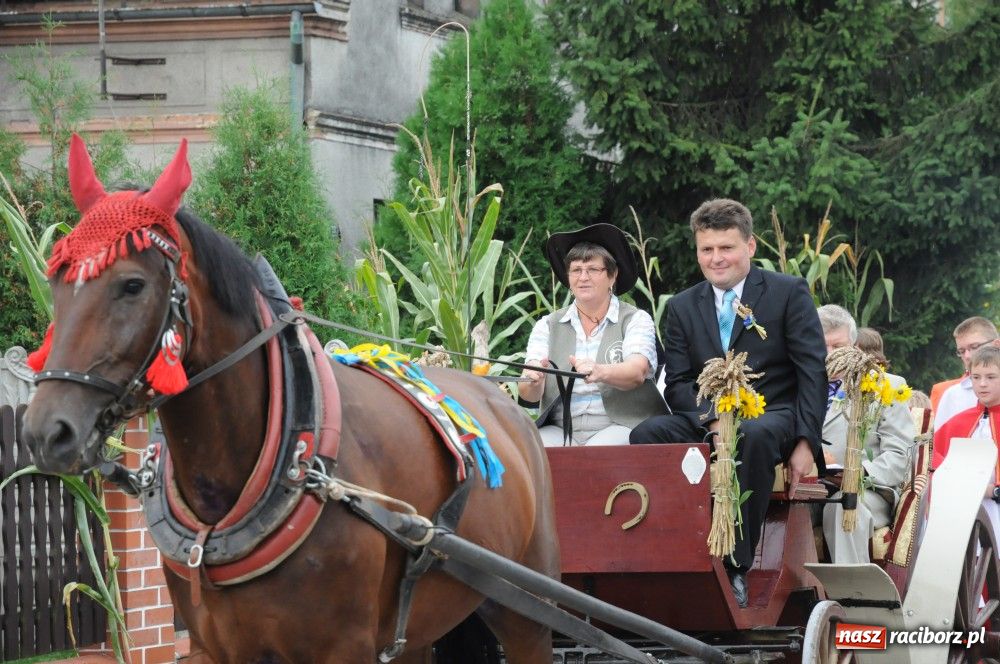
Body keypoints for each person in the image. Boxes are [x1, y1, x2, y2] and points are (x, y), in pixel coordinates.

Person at [629, 199, 827, 608]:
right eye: (707, 249)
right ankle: (672, 550)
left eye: (726, 248)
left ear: (750, 246)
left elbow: (812, 372)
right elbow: (679, 384)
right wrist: (713, 419)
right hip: (710, 417)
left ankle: (735, 566)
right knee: (646, 433)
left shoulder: (788, 293)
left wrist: (807, 442)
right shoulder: (683, 306)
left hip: (774, 416)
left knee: (751, 436)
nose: (716, 258)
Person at [519, 223, 666, 446]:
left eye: (593, 270)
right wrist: (533, 381)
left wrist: (600, 371)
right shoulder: (547, 325)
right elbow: (528, 396)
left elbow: (637, 372)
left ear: (612, 275)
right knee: (531, 449)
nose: (583, 277)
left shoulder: (635, 319)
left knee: (598, 452)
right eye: (576, 270)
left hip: (622, 425)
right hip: (560, 429)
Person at [817, 305, 915, 563]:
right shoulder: (796, 387)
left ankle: (850, 596)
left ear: (854, 345)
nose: (829, 355)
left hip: (866, 492)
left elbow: (901, 456)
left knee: (842, 506)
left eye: (837, 347)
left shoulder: (887, 385)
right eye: (821, 346)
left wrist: (857, 473)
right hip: (807, 492)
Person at [932, 345, 1000, 538]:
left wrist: (992, 491)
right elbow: (936, 463)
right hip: (962, 515)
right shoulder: (957, 423)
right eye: (976, 377)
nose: (982, 384)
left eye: (991, 377)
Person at [932, 317, 1000, 429]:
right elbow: (939, 442)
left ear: (997, 345)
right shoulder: (951, 395)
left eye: (974, 347)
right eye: (961, 351)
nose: (967, 356)